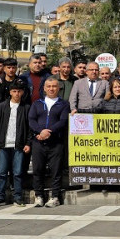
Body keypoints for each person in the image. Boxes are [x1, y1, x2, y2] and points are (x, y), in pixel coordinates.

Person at [29, 78, 70, 208]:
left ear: (58, 88)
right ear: (44, 88)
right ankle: (39, 196)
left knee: (56, 170)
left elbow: (63, 121)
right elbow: (31, 120)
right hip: (38, 142)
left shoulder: (64, 104)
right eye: (49, 86)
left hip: (56, 142)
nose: (51, 89)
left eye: (54, 86)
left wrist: (49, 132)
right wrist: (40, 132)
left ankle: (55, 196)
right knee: (38, 170)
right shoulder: (37, 103)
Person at [0, 80, 31, 206]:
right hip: (4, 144)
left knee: (17, 172)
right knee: (2, 172)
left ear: (22, 92)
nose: (17, 94)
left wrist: (28, 143)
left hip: (19, 144)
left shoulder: (26, 108)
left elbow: (29, 128)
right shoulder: (2, 107)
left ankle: (18, 197)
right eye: (14, 91)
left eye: (19, 91)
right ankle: (0, 197)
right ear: (10, 92)